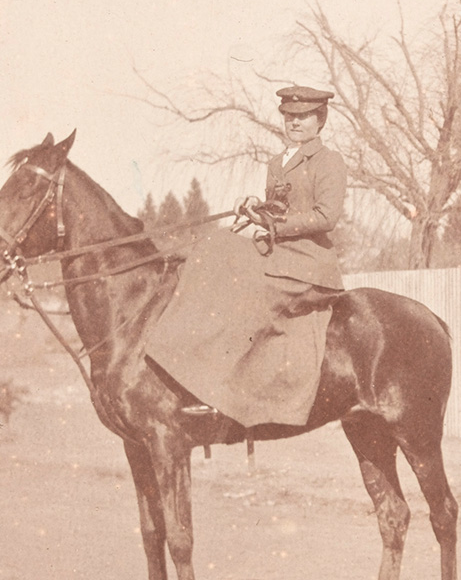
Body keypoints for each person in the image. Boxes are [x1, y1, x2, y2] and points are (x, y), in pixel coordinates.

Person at [144, 85, 347, 427]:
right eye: (289, 116)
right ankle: (196, 376)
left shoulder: (329, 161)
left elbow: (326, 216)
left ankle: (224, 392)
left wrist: (273, 225)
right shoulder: (278, 162)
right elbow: (280, 209)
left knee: (240, 294)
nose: (294, 123)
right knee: (215, 246)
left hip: (309, 264)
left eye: (303, 117)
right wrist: (256, 206)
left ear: (320, 119)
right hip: (280, 255)